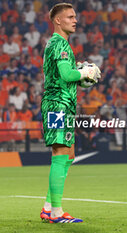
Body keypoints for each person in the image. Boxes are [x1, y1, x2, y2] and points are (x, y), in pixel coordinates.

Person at [40, 3, 100, 224]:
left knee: (69, 154)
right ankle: (56, 212)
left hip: (63, 106)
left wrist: (81, 78)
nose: (75, 20)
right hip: (58, 106)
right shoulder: (59, 44)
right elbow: (66, 75)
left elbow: (63, 76)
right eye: (70, 17)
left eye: (75, 16)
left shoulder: (59, 44)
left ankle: (48, 207)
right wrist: (85, 71)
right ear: (58, 20)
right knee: (60, 154)